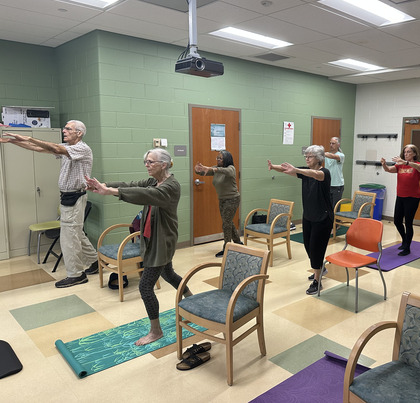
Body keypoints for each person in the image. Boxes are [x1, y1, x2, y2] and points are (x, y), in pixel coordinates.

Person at [85, 148, 191, 346]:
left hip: (163, 240)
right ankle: (191, 299)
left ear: (164, 164)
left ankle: (156, 331)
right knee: (168, 274)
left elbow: (144, 195)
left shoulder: (171, 186)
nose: (147, 165)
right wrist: (104, 186)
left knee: (145, 286)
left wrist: (111, 192)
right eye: (146, 162)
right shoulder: (154, 180)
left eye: (151, 162)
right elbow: (131, 185)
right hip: (151, 238)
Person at [1, 121, 98, 288]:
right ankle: (95, 261)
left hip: (75, 197)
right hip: (69, 198)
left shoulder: (82, 148)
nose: (64, 130)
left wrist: (29, 137)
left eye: (68, 129)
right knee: (76, 233)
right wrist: (14, 141)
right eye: (65, 128)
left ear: (79, 133)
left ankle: (76, 274)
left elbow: (54, 148)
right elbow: (41, 149)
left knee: (69, 238)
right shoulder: (67, 147)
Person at [268, 145, 333, 295]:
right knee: (308, 246)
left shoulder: (324, 173)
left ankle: (317, 280)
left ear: (319, 158)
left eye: (310, 156)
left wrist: (296, 170)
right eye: (306, 156)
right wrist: (274, 167)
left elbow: (314, 174)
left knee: (316, 248)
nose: (307, 158)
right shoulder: (305, 172)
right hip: (309, 216)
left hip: (323, 218)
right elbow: (287, 169)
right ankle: (320, 268)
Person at [195, 150, 243, 257]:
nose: (217, 160)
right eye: (217, 158)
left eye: (220, 158)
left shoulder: (231, 168)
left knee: (226, 223)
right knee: (228, 222)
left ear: (226, 159)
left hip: (232, 199)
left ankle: (227, 247)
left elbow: (226, 172)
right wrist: (198, 171)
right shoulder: (216, 169)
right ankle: (238, 243)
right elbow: (205, 172)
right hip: (222, 200)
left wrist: (213, 169)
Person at [381, 144, 420, 256]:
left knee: (408, 223)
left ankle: (407, 247)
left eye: (409, 152)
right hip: (400, 196)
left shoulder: (418, 164)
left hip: (413, 197)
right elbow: (389, 170)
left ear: (414, 153)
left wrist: (406, 162)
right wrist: (384, 165)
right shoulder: (400, 165)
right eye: (405, 152)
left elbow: (419, 168)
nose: (406, 154)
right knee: (397, 221)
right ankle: (405, 240)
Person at [324, 137, 345, 212]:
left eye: (333, 143)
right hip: (328, 185)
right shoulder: (326, 155)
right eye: (330, 143)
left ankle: (336, 223)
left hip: (337, 186)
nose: (331, 145)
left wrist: (322, 153)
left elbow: (334, 157)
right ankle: (329, 223)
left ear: (338, 145)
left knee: (335, 208)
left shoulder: (341, 155)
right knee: (327, 207)